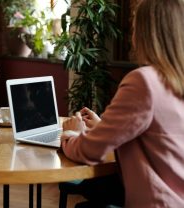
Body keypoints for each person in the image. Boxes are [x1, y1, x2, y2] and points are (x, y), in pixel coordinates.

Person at [61, 0, 184, 207]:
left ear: (144, 34)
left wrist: (72, 135)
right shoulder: (176, 80)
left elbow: (90, 150)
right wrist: (104, 127)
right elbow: (159, 139)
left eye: (135, 27)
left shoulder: (143, 81)